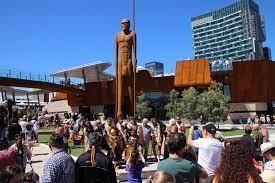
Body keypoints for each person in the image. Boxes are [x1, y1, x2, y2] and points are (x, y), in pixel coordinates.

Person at [115, 18, 137, 118]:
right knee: (119, 88)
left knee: (130, 87)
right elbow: (115, 53)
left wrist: (134, 61)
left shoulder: (133, 34)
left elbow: (135, 51)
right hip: (120, 62)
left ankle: (132, 111)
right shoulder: (117, 36)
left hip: (128, 62)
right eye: (122, 23)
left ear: (129, 25)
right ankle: (119, 111)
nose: (124, 25)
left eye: (126, 23)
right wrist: (116, 65)